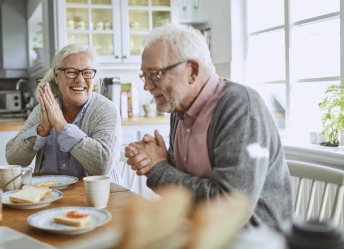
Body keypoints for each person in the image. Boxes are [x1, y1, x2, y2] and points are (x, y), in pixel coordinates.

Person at [124, 24, 293, 230]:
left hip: (250, 240)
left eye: (155, 74)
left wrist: (158, 168)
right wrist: (159, 159)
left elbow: (229, 206)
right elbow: (186, 178)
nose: (147, 86)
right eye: (145, 76)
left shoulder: (240, 106)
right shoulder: (179, 108)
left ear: (192, 70)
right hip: (198, 232)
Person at [6, 44, 123, 184]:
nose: (80, 79)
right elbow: (13, 160)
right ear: (56, 75)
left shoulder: (106, 109)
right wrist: (43, 128)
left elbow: (101, 165)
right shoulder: (44, 108)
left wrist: (61, 125)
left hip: (97, 200)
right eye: (71, 72)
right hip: (49, 197)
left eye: (87, 72)